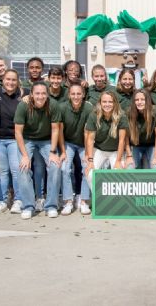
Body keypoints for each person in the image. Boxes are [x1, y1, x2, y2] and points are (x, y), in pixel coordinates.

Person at [14, 82, 62, 219]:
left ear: (47, 94)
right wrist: (24, 155)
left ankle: (51, 205)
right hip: (27, 139)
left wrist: (53, 152)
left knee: (55, 166)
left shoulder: (53, 105)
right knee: (23, 167)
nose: (40, 96)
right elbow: (18, 132)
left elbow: (55, 129)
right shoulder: (23, 105)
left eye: (43, 93)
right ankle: (28, 206)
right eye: (37, 93)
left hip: (47, 140)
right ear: (32, 94)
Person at [0, 69, 27, 214]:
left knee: (16, 170)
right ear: (3, 80)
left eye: (13, 80)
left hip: (15, 140)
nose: (10, 82)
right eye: (8, 79)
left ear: (18, 81)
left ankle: (19, 200)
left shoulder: (24, 94)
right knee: (1, 172)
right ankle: (2, 200)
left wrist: (28, 96)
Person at [58, 84, 94, 215]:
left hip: (83, 144)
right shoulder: (62, 107)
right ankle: (68, 201)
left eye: (79, 94)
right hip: (67, 142)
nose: (76, 96)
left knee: (87, 168)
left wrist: (87, 153)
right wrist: (62, 151)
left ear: (83, 94)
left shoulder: (89, 108)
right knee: (64, 168)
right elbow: (60, 132)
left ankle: (84, 200)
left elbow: (88, 132)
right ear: (69, 95)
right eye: (73, 94)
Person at [85, 91, 129, 190]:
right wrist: (90, 160)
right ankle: (98, 198)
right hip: (99, 150)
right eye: (104, 102)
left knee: (119, 174)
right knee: (90, 173)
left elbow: (122, 140)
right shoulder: (94, 115)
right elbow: (90, 139)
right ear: (100, 103)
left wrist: (118, 160)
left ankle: (115, 200)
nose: (107, 104)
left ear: (115, 103)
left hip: (115, 151)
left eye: (110, 102)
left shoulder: (121, 116)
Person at [126, 89, 156, 169]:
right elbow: (125, 136)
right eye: (137, 100)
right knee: (129, 167)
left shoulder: (155, 111)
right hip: (135, 145)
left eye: (142, 99)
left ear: (148, 100)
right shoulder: (129, 112)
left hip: (152, 145)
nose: (139, 102)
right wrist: (129, 155)